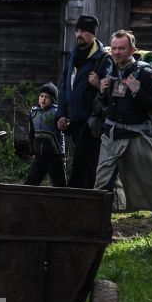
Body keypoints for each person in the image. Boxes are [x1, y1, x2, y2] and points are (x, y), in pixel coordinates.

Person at [93, 30, 152, 229]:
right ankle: (100, 228)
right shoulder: (112, 71)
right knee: (102, 183)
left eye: (121, 48)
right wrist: (102, 92)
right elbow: (109, 106)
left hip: (138, 137)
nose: (116, 52)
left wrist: (137, 91)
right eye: (114, 48)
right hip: (112, 136)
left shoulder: (146, 73)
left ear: (132, 50)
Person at [58, 14, 109, 189]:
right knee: (82, 161)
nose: (80, 34)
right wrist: (62, 114)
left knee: (85, 162)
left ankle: (79, 199)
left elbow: (110, 89)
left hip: (92, 120)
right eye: (78, 30)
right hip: (75, 119)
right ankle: (83, 198)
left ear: (94, 34)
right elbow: (65, 87)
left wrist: (98, 84)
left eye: (85, 31)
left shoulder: (103, 58)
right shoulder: (73, 56)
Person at [25, 82, 66, 187]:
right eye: (41, 96)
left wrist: (62, 154)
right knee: (29, 184)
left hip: (55, 156)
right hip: (39, 156)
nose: (43, 99)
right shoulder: (33, 113)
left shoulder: (57, 113)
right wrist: (32, 149)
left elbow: (64, 132)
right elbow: (31, 134)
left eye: (47, 97)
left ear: (52, 100)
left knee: (60, 185)